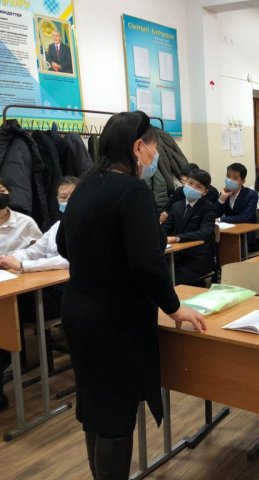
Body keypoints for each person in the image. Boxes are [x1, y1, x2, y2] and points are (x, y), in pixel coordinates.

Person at [55, 111, 207, 480]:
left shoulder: (86, 185)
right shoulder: (132, 191)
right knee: (116, 416)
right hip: (115, 319)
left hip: (78, 310)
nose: (156, 157)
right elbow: (147, 262)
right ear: (138, 147)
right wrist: (175, 308)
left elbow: (62, 244)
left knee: (96, 409)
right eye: (154, 149)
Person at [0, 177, 77, 411]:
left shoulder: (87, 225)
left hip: (66, 292)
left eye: (71, 197)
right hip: (41, 288)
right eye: (62, 197)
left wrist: (24, 266)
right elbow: (35, 250)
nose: (66, 201)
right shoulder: (56, 226)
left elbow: (67, 260)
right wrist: (10, 259)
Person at [163, 169, 216, 286]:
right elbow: (166, 227)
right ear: (185, 182)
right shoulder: (177, 206)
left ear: (205, 191)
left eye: (198, 187)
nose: (192, 188)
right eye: (190, 183)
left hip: (196, 260)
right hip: (175, 257)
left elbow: (204, 232)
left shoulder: (208, 207)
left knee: (171, 282)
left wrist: (177, 238)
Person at [0, 178, 42, 252]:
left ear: (9, 193)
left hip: (14, 259)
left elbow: (40, 248)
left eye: (2, 191)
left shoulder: (25, 222)